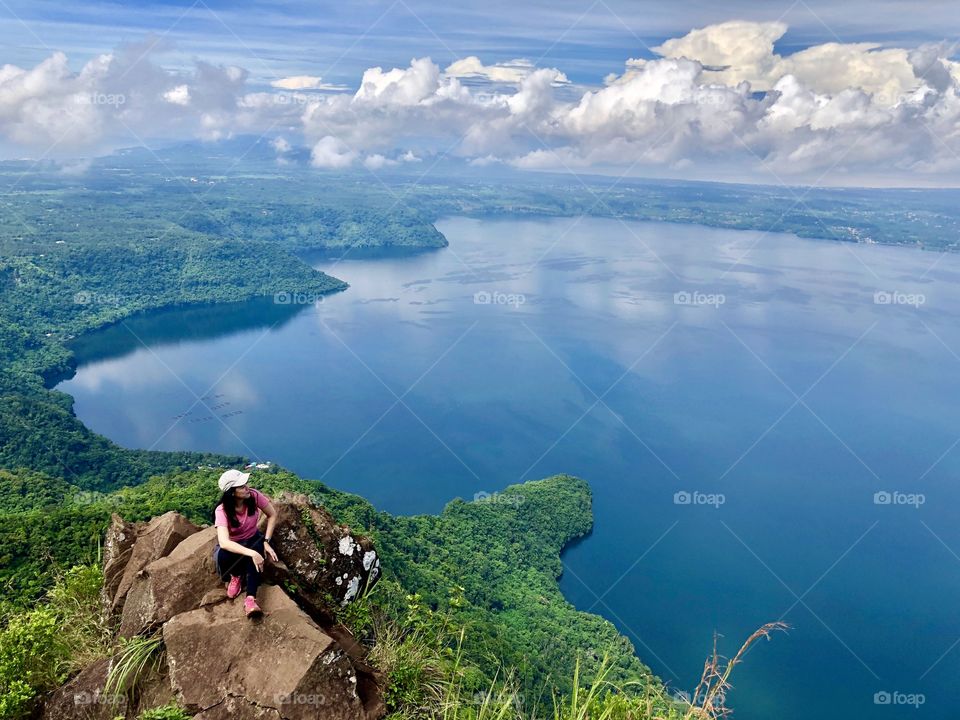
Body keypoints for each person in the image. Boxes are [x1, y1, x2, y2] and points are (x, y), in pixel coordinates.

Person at [212, 468, 279, 617]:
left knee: (253, 560)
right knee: (222, 555)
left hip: (253, 538)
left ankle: (250, 599)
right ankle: (235, 576)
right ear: (232, 492)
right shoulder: (222, 510)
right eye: (242, 486)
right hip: (235, 545)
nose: (247, 488)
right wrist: (252, 553)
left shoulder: (254, 496)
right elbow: (224, 542)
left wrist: (266, 541)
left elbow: (272, 514)